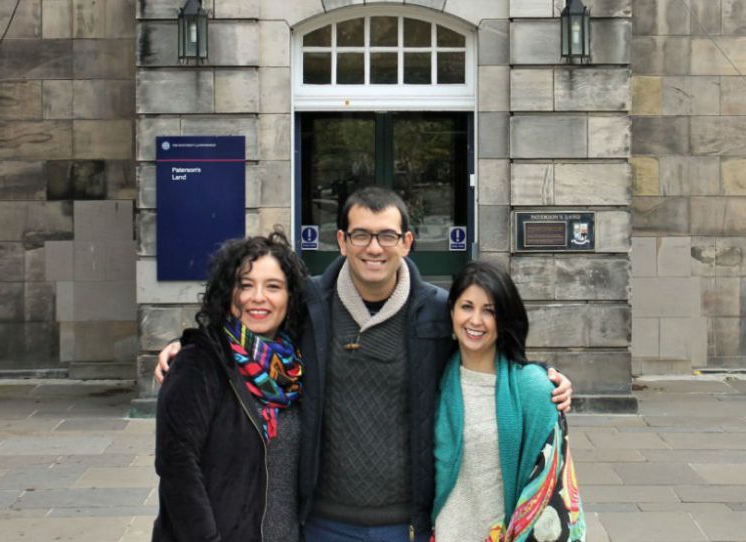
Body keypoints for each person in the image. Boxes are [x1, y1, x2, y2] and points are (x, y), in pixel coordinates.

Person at [156, 187, 573, 542]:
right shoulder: (310, 303)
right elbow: (252, 328)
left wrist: (539, 377)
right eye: (361, 235)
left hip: (403, 523)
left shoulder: (437, 311)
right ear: (341, 240)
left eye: (386, 236)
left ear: (406, 242)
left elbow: (484, 343)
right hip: (320, 522)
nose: (374, 248)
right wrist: (186, 347)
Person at [152, 231, 307, 542]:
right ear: (227, 293)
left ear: (290, 298)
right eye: (245, 285)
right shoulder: (198, 363)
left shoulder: (297, 368)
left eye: (273, 286)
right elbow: (177, 467)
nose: (258, 297)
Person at [433, 261, 585, 542]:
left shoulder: (534, 388)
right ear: (452, 311)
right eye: (467, 307)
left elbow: (551, 489)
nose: (475, 320)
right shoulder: (432, 380)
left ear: (503, 320)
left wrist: (548, 376)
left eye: (488, 311)